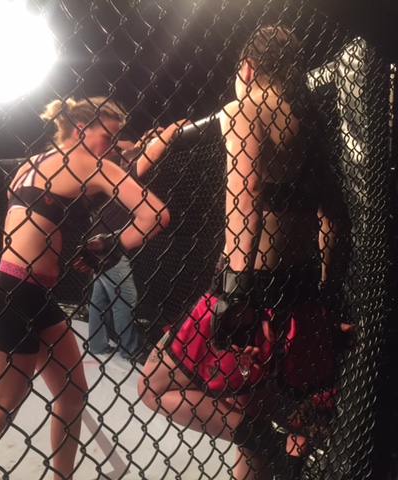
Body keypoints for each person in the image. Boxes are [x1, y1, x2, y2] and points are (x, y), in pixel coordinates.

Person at [0, 96, 170, 480]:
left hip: (28, 293)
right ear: (81, 129)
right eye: (108, 136)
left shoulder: (32, 163)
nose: (112, 146)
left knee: (73, 396)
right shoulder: (90, 164)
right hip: (17, 295)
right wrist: (112, 247)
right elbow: (155, 213)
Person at [138, 24, 352, 480]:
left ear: (248, 68)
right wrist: (328, 294)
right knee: (250, 403)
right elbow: (334, 217)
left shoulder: (246, 107)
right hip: (302, 290)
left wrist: (236, 293)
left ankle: (265, 440)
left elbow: (246, 196)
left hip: (252, 287)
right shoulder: (309, 121)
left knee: (153, 384)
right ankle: (266, 443)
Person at [87, 121, 188, 362]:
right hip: (108, 248)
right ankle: (130, 350)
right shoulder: (121, 180)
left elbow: (134, 148)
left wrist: (146, 138)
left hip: (96, 243)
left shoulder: (103, 178)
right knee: (126, 297)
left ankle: (97, 344)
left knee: (100, 298)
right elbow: (149, 156)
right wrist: (173, 127)